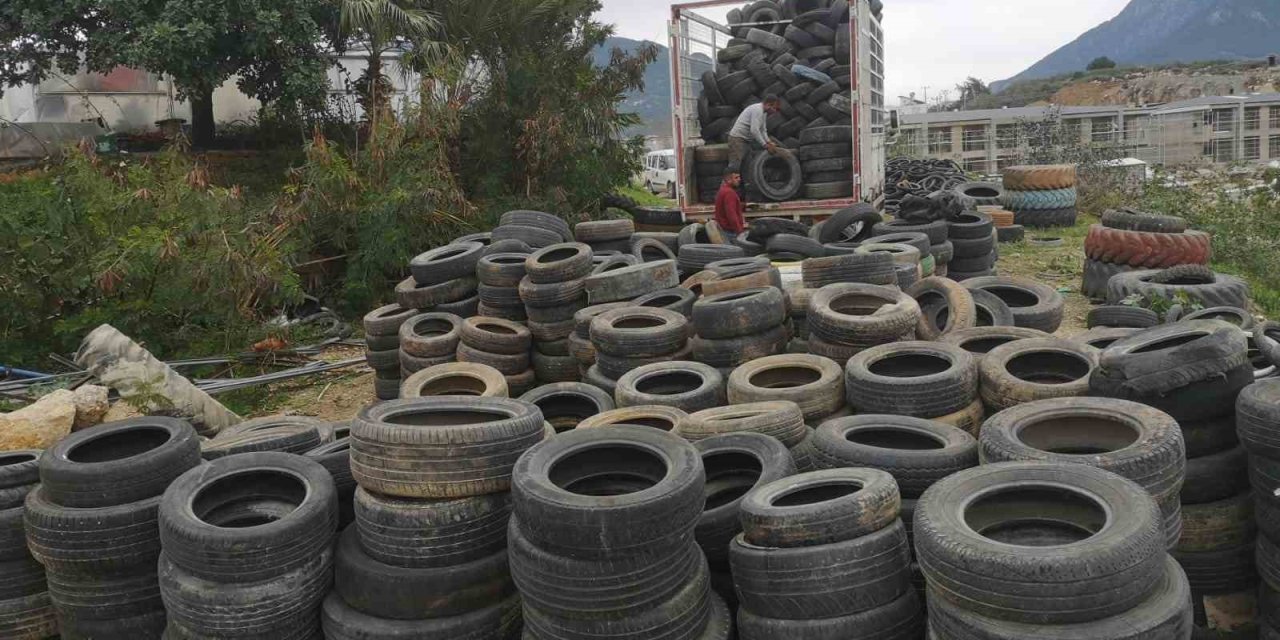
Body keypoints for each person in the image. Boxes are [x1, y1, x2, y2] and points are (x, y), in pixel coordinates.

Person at [727, 95, 783, 178]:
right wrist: (765, 145)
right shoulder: (757, 110)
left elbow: (763, 130)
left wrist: (769, 142)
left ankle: (743, 189)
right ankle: (727, 188)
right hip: (737, 139)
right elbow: (754, 130)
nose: (775, 111)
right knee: (735, 166)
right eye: (774, 108)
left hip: (746, 141)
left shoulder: (764, 113)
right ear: (768, 104)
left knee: (748, 165)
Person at [714, 171, 746, 242]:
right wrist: (740, 231)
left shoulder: (722, 190)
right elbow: (731, 214)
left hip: (725, 230)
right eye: (736, 178)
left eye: (739, 177)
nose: (739, 179)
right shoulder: (729, 193)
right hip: (730, 232)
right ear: (729, 180)